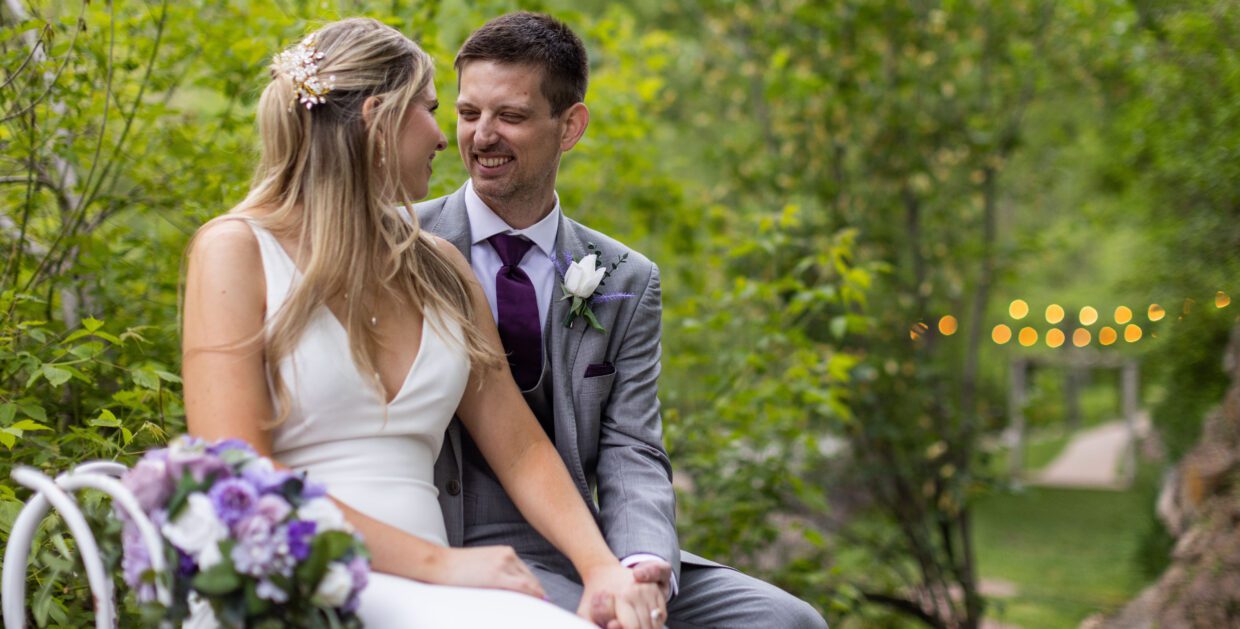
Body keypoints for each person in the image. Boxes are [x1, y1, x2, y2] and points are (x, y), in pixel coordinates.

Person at [181, 17, 665, 629]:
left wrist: (601, 570)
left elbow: (521, 449)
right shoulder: (236, 249)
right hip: (299, 571)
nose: (444, 138)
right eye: (433, 110)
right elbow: (238, 472)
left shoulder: (440, 266)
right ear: (379, 120)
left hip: (438, 592)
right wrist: (440, 565)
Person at [421, 12, 828, 629]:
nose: (481, 136)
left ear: (570, 126)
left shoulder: (626, 277)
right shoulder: (405, 242)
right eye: (468, 113)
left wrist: (641, 562)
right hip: (465, 541)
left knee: (785, 620)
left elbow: (631, 443)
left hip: (592, 542)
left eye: (511, 116)